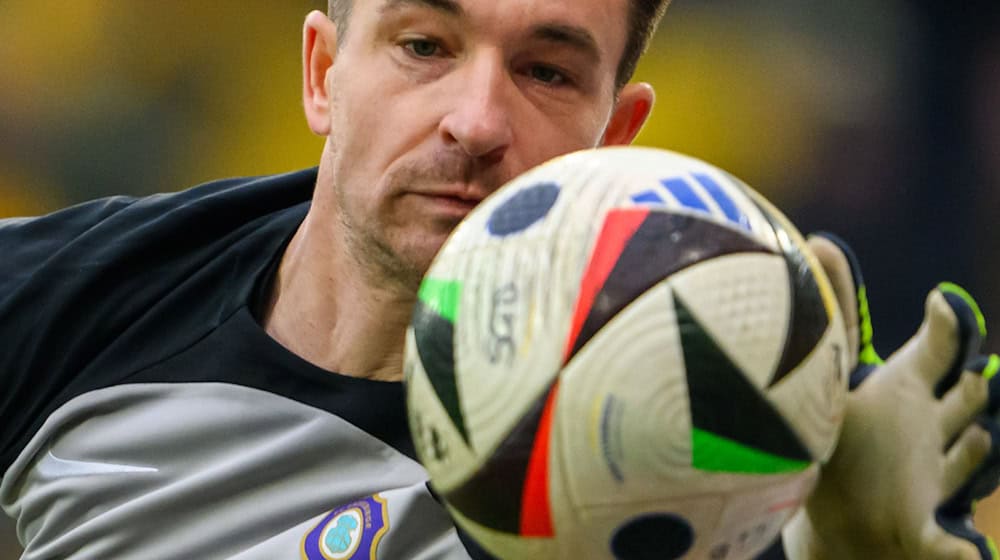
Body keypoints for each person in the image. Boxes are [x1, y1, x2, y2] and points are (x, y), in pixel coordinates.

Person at [0, 1, 997, 558]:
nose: (476, 120)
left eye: (546, 72)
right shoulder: (65, 301)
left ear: (616, 136)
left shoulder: (708, 466)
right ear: (320, 74)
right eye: (424, 47)